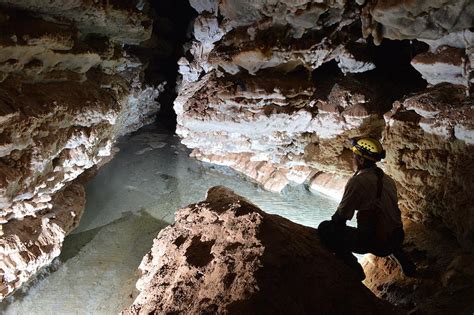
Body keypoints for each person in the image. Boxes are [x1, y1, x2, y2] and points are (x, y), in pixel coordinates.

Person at [318, 136, 416, 281]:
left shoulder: (358, 181)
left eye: (354, 157)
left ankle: (355, 269)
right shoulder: (387, 179)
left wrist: (336, 230)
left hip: (378, 243)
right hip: (397, 236)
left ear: (361, 161)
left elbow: (341, 216)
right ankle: (407, 264)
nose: (353, 160)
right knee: (385, 227)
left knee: (326, 229)